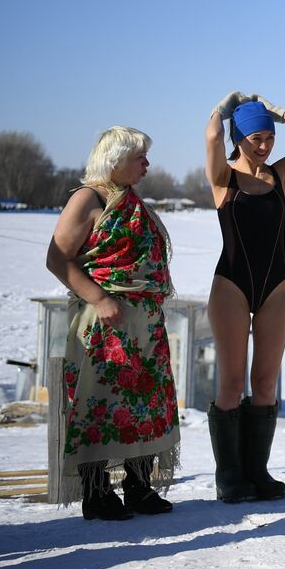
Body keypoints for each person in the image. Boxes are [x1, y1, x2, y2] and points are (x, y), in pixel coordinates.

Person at [45, 126, 179, 520]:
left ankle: (139, 486)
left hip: (144, 324)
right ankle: (97, 492)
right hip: (104, 321)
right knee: (100, 401)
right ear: (115, 159)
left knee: (144, 402)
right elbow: (58, 259)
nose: (147, 165)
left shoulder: (132, 199)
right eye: (140, 158)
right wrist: (100, 299)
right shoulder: (88, 198)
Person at [205, 93, 285, 503]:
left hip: (278, 285)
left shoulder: (280, 175)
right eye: (256, 138)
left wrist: (276, 112)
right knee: (232, 381)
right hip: (232, 285)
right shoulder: (223, 178)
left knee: (264, 382)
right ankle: (230, 475)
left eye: (269, 138)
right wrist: (222, 113)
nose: (264, 146)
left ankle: (257, 471)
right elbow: (210, 138)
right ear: (238, 137)